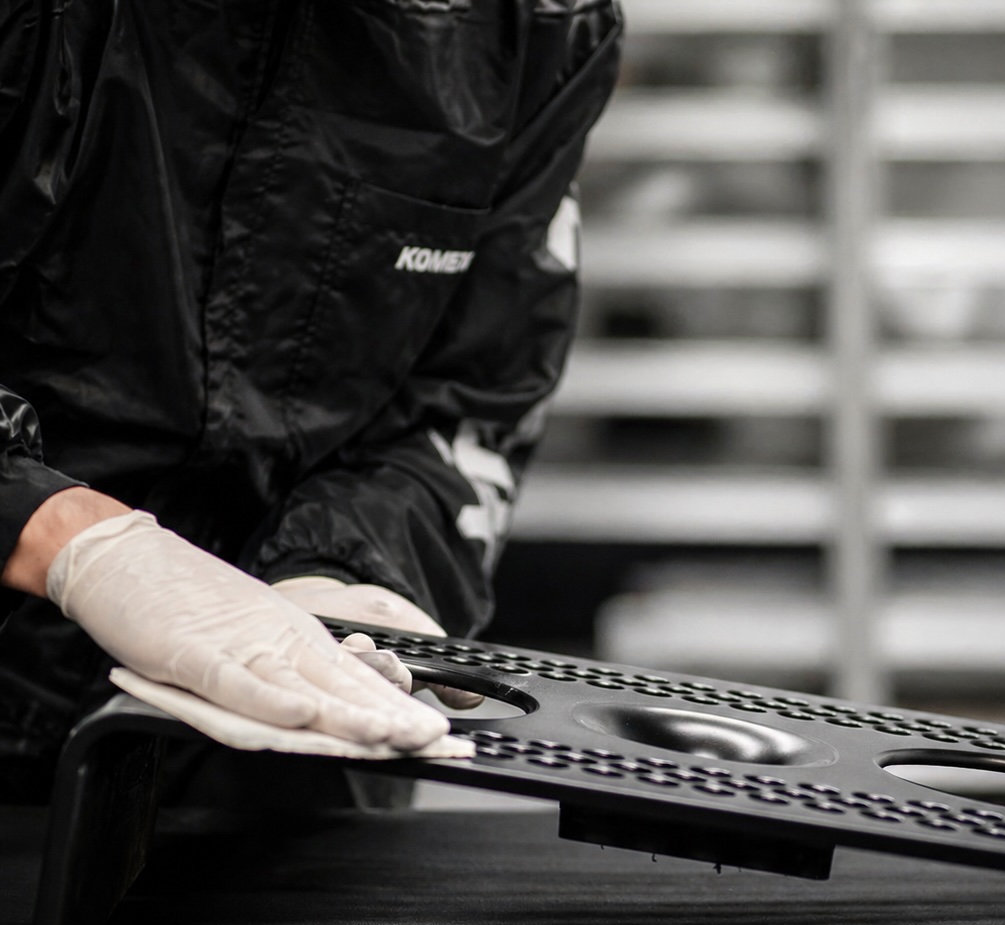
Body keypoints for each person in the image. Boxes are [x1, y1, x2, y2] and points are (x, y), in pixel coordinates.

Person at [0, 0, 622, 800]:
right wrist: (69, 539)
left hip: (289, 743)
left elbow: (469, 394)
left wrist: (347, 567)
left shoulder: (539, 26)